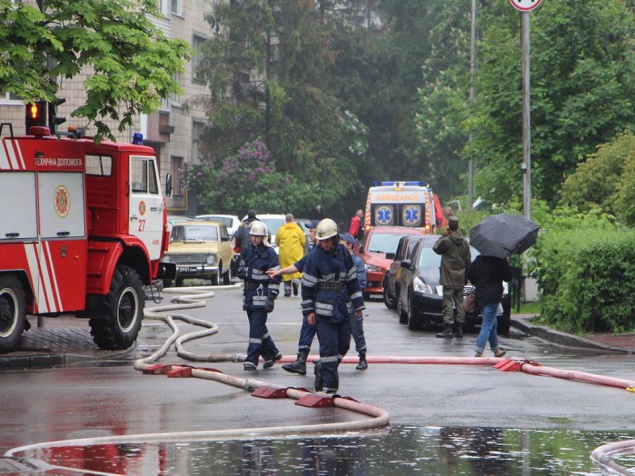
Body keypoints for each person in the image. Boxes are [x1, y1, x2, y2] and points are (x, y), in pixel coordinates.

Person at [301, 218, 365, 394]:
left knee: (344, 345)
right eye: (322, 241)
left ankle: (323, 367)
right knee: (328, 348)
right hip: (323, 310)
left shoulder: (344, 253)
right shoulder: (314, 257)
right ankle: (330, 388)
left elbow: (352, 281)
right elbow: (306, 287)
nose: (325, 244)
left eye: (327, 240)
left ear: (335, 238)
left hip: (342, 306)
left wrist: (358, 305)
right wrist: (309, 310)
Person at [267, 220, 319, 375]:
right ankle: (301, 361)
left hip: (325, 300)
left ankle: (327, 365)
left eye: (312, 231)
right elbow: (300, 264)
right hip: (313, 300)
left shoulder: (324, 252)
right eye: (309, 231)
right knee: (307, 327)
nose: (309, 234)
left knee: (327, 335)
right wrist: (279, 272)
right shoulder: (313, 250)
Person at [236, 221, 282, 370]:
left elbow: (275, 276)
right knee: (258, 328)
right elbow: (242, 266)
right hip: (249, 295)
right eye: (253, 236)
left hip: (261, 295)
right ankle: (272, 354)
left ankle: (252, 359)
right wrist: (240, 271)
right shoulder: (248, 250)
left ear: (263, 237)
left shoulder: (269, 253)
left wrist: (272, 296)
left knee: (255, 330)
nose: (254, 239)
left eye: (257, 236)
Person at [433, 216, 471, 339]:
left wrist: (443, 235)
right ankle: (460, 329)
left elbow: (436, 248)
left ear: (449, 226)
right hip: (460, 276)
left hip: (448, 276)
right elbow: (468, 259)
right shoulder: (464, 242)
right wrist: (467, 275)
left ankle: (448, 328)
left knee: (448, 302)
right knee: (460, 302)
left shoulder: (447, 240)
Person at [468, 254, 513, 358]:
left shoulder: (479, 259)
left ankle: (496, 349)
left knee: (493, 323)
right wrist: (506, 263)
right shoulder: (499, 260)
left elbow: (471, 275)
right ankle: (479, 351)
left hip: (481, 296)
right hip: (493, 297)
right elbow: (508, 277)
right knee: (488, 324)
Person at [339, 232, 369, 370]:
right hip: (340, 302)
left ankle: (362, 357)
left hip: (352, 302)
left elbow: (361, 283)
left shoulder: (357, 262)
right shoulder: (338, 260)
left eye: (341, 243)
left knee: (357, 331)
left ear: (349, 245)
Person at [275, 214, 306, 297]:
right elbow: (303, 241)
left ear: (285, 221)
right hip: (296, 254)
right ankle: (296, 282)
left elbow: (276, 242)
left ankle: (287, 290)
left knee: (285, 271)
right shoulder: (298, 229)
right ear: (293, 220)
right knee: (296, 269)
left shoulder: (281, 230)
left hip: (284, 255)